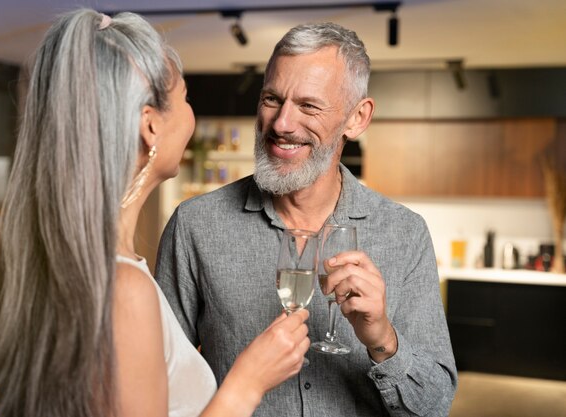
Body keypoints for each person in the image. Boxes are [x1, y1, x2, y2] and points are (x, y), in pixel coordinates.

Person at [0, 9, 310, 417]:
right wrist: (247, 383)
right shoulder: (124, 290)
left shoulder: (46, 264)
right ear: (150, 126)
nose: (191, 114)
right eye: (185, 97)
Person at [156, 22, 458, 416]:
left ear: (358, 118)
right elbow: (154, 386)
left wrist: (383, 338)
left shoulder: (405, 233)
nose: (282, 124)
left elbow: (433, 406)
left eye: (309, 106)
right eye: (271, 99)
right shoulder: (195, 225)